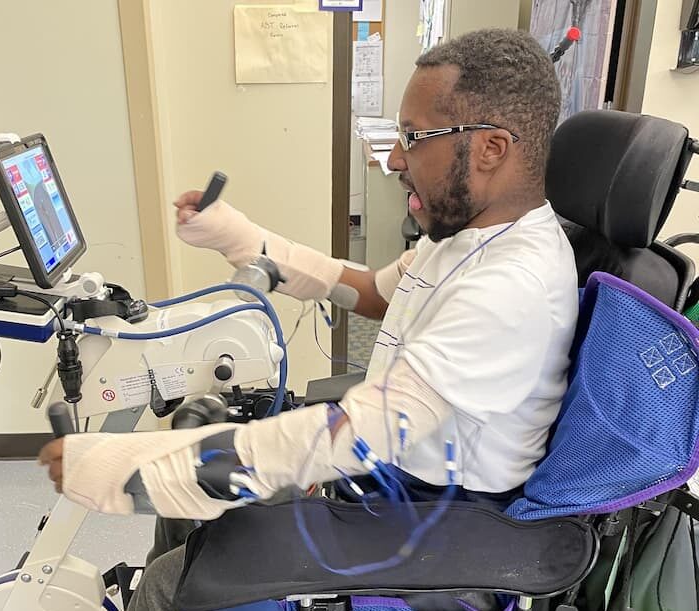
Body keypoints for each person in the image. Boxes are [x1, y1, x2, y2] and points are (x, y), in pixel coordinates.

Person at [39, 28, 576, 611]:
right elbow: (369, 292)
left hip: (439, 530)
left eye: (414, 138)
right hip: (391, 486)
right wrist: (245, 240)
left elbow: (359, 435)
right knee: (192, 521)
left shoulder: (510, 286)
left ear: (493, 148)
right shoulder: (469, 237)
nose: (396, 158)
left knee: (174, 583)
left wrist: (139, 468)